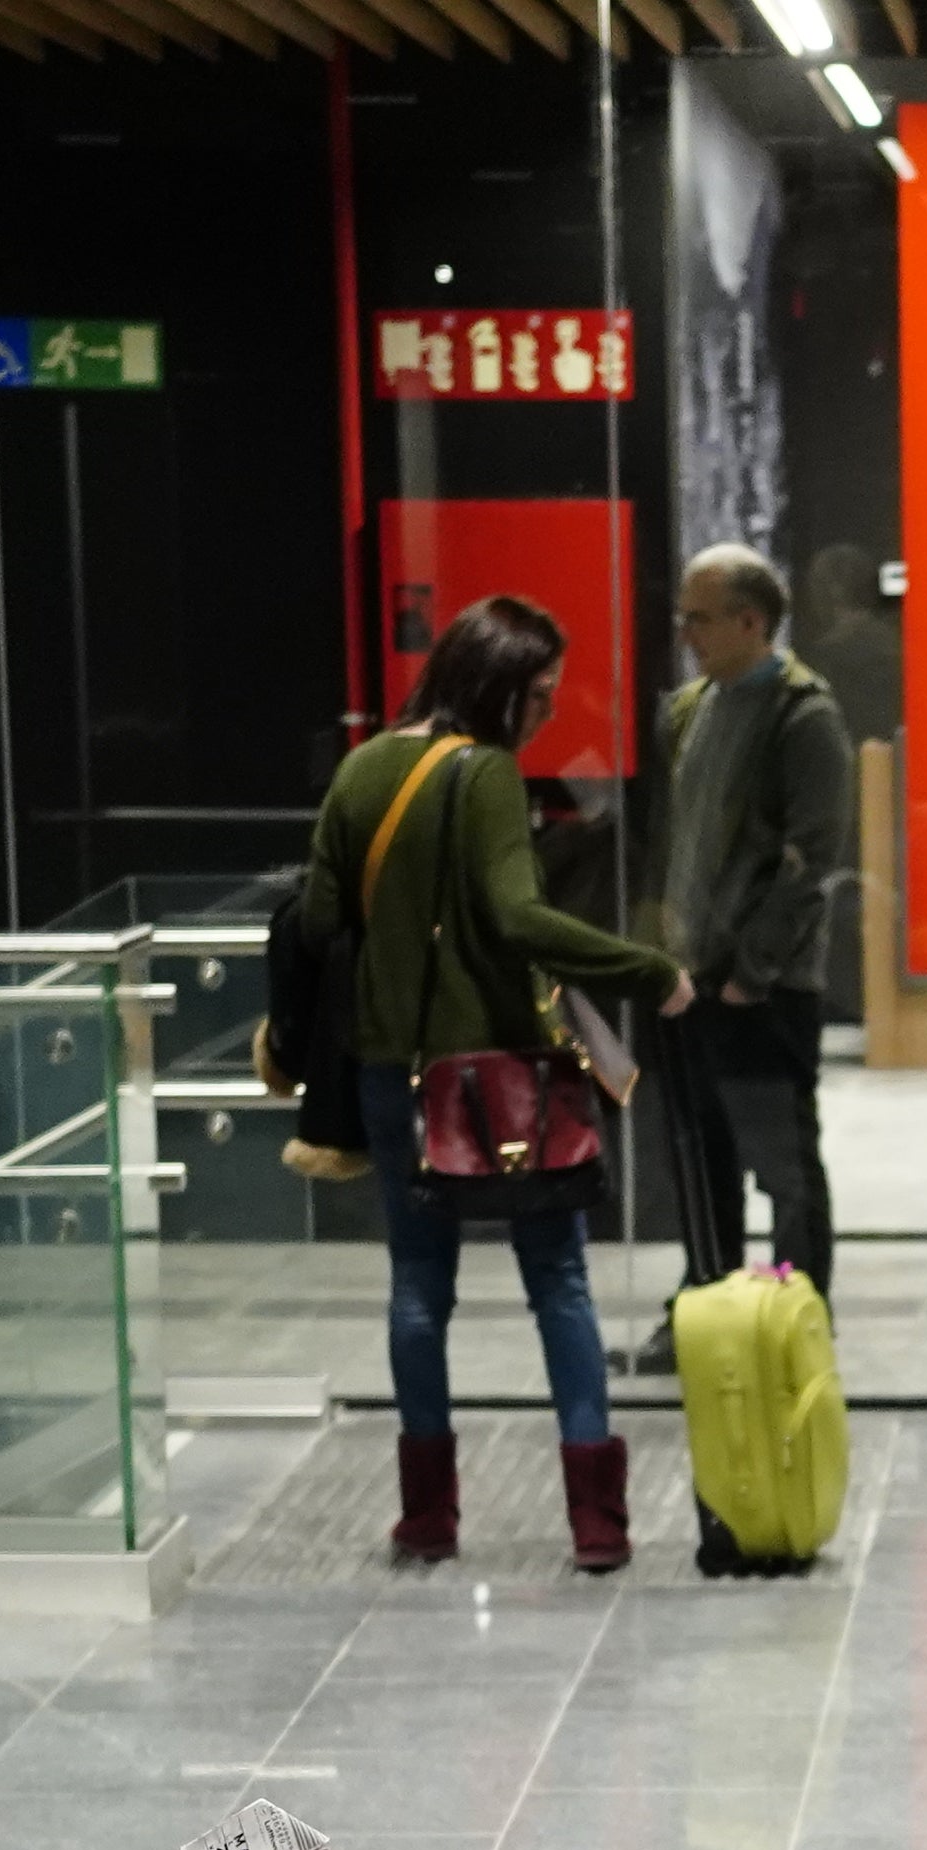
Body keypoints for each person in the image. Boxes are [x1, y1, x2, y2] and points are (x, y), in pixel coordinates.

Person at [318, 597, 682, 1567]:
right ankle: (596, 1519)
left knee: (415, 1286)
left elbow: (317, 917)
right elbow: (520, 918)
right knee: (558, 1279)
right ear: (496, 687)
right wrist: (648, 968)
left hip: (391, 1072)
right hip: (500, 1076)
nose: (548, 715)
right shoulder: (484, 774)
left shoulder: (362, 769)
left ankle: (427, 1517)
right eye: (539, 695)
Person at [650, 542, 856, 1298]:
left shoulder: (804, 717)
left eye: (699, 619)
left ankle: (798, 1317)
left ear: (750, 621)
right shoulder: (687, 711)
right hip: (686, 982)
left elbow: (812, 861)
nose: (687, 635)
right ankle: (709, 1311)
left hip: (761, 992)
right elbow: (668, 845)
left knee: (783, 1166)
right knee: (701, 1161)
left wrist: (750, 975)